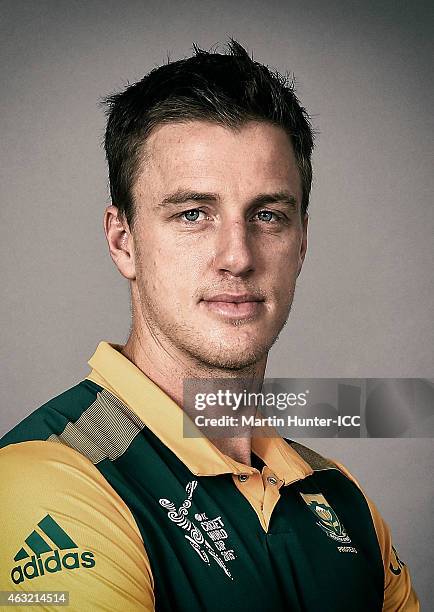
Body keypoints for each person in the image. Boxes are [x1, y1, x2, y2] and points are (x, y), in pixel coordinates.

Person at [0, 40, 419, 611]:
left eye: (268, 215)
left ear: (302, 243)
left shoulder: (344, 501)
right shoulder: (44, 481)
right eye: (192, 214)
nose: (238, 257)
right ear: (122, 241)